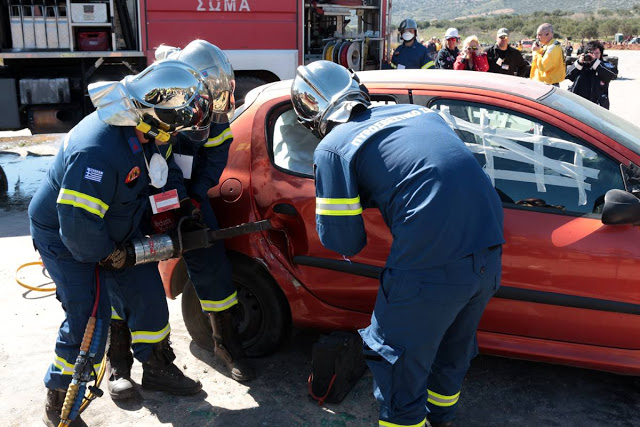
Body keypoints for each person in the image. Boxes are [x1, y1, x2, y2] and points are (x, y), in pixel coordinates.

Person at [291, 60, 504, 427]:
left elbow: (344, 240)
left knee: (398, 362)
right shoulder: (419, 113)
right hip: (488, 253)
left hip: (430, 265)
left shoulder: (333, 147)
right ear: (357, 88)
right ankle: (441, 418)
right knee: (451, 350)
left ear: (314, 119)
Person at [30, 60, 213, 426]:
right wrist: (109, 255)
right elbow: (78, 225)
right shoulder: (96, 152)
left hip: (114, 223)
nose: (174, 135)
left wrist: (179, 212)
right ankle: (62, 396)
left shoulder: (148, 131)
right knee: (88, 320)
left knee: (146, 293)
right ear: (154, 117)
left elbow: (162, 175)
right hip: (68, 239)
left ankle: (158, 368)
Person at [566, 40, 618, 109]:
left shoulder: (604, 65)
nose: (594, 56)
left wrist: (595, 63)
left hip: (597, 106)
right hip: (579, 104)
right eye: (591, 53)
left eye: (597, 53)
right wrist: (579, 63)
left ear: (601, 54)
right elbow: (568, 75)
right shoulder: (581, 65)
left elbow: (613, 75)